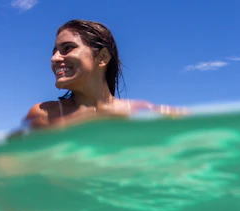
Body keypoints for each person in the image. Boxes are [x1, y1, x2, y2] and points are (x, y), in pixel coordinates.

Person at [23, 19, 187, 130]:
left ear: (102, 57)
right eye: (55, 52)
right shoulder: (44, 114)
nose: (54, 58)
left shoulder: (145, 113)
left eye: (68, 48)